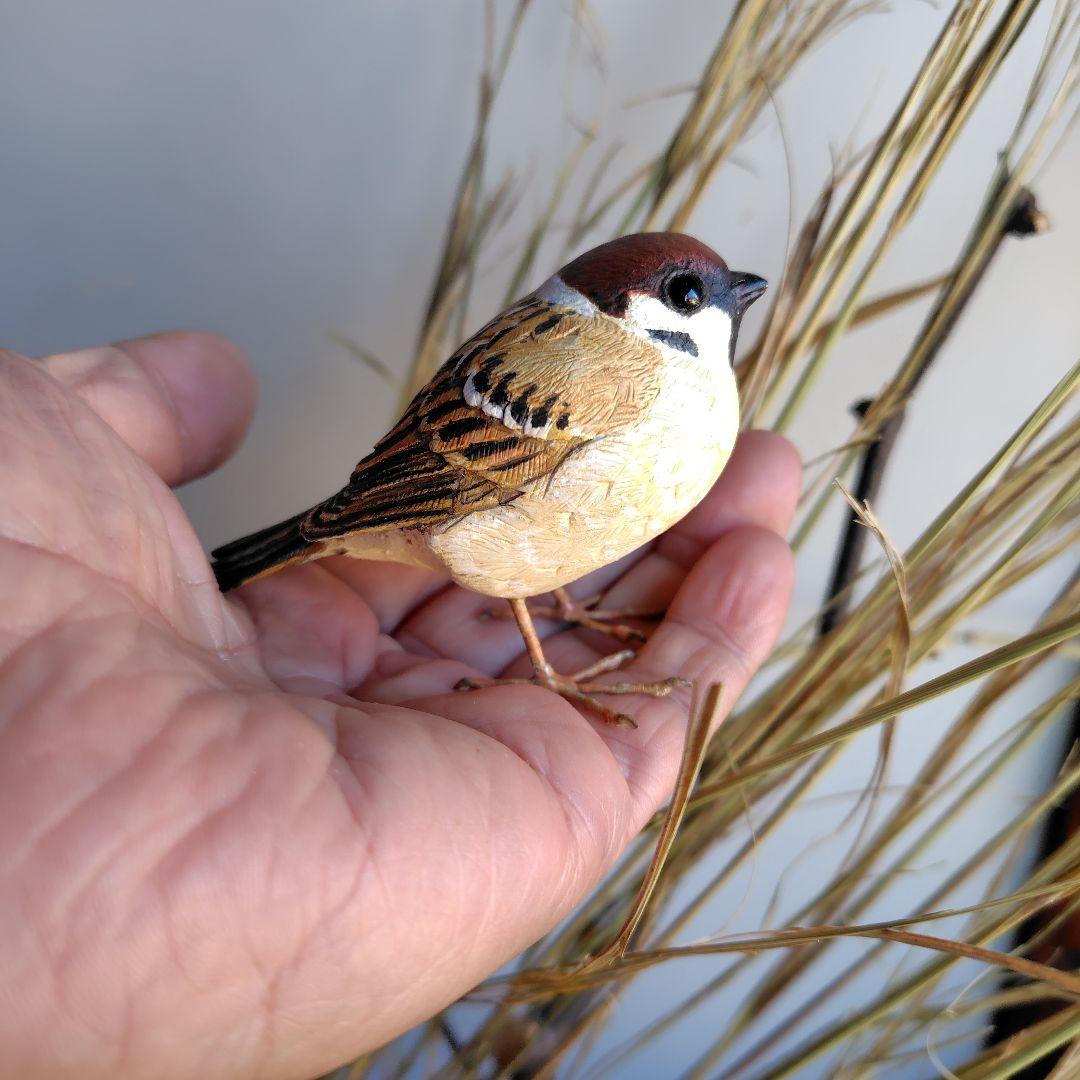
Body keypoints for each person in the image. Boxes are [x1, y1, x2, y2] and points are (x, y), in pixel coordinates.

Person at [0, 331, 799, 1078]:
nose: (728, 302)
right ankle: (549, 666)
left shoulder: (654, 378)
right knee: (516, 561)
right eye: (692, 294)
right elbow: (472, 470)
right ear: (643, 315)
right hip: (449, 510)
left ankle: (564, 611)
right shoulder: (613, 376)